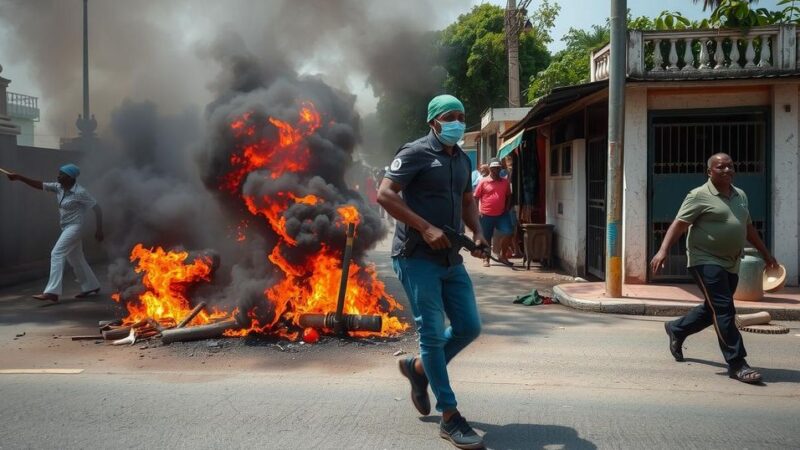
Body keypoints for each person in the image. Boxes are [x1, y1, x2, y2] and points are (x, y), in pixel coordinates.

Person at [378, 94, 487, 449]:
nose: (457, 122)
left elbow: (469, 201)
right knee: (433, 333)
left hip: (450, 258)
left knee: (470, 326)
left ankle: (419, 370)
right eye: (450, 116)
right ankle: (451, 415)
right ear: (433, 122)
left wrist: (479, 233)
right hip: (415, 256)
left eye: (461, 115)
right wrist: (425, 227)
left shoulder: (462, 158)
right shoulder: (414, 153)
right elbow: (385, 194)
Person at [650, 153, 778, 384]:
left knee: (713, 309)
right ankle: (737, 363)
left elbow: (747, 227)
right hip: (704, 259)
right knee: (724, 309)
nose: (728, 170)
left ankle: (677, 329)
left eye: (730, 165)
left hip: (731, 261)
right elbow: (679, 224)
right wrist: (663, 250)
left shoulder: (741, 195)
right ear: (710, 172)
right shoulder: (699, 195)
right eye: (721, 167)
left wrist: (766, 254)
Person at [4, 164, 104, 302]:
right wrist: (19, 178)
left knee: (56, 253)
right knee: (76, 258)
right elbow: (39, 185)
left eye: (61, 174)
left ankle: (52, 292)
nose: (58, 176)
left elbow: (97, 208)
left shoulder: (80, 192)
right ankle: (91, 286)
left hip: (75, 227)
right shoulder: (58, 187)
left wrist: (99, 229)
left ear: (70, 178)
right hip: (66, 227)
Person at [473, 158, 512, 267]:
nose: (496, 170)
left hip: (502, 214)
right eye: (493, 168)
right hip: (486, 214)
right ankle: (486, 259)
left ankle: (503, 256)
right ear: (490, 168)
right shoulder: (483, 181)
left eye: (498, 168)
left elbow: (509, 196)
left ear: (500, 168)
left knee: (509, 232)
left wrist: (507, 208)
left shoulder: (505, 182)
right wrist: (477, 211)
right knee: (486, 238)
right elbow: (475, 197)